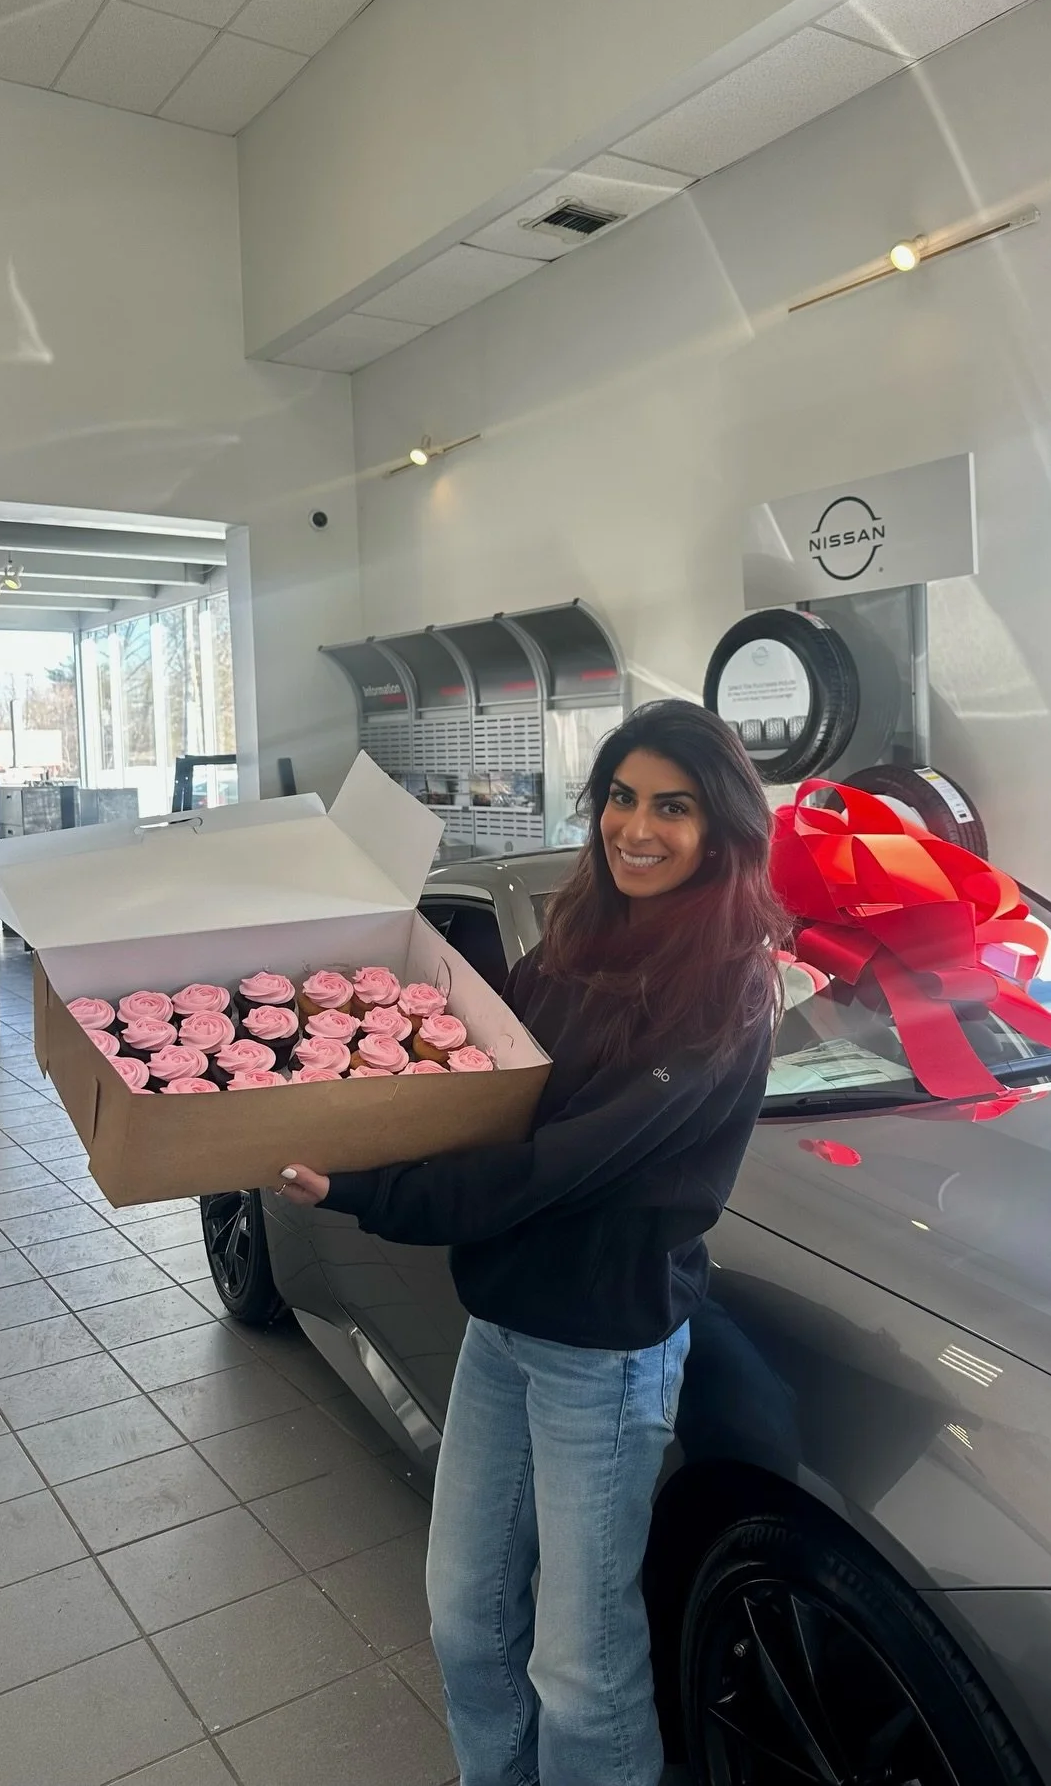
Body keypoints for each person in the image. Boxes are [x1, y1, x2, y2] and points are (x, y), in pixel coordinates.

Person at [277, 699, 787, 1786]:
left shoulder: (728, 991)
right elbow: (479, 1078)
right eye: (620, 796)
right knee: (465, 1621)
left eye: (673, 807)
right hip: (502, 1328)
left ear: (724, 828)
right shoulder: (574, 943)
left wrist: (371, 1191)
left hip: (604, 1357)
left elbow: (552, 1164)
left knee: (582, 1662)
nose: (635, 827)